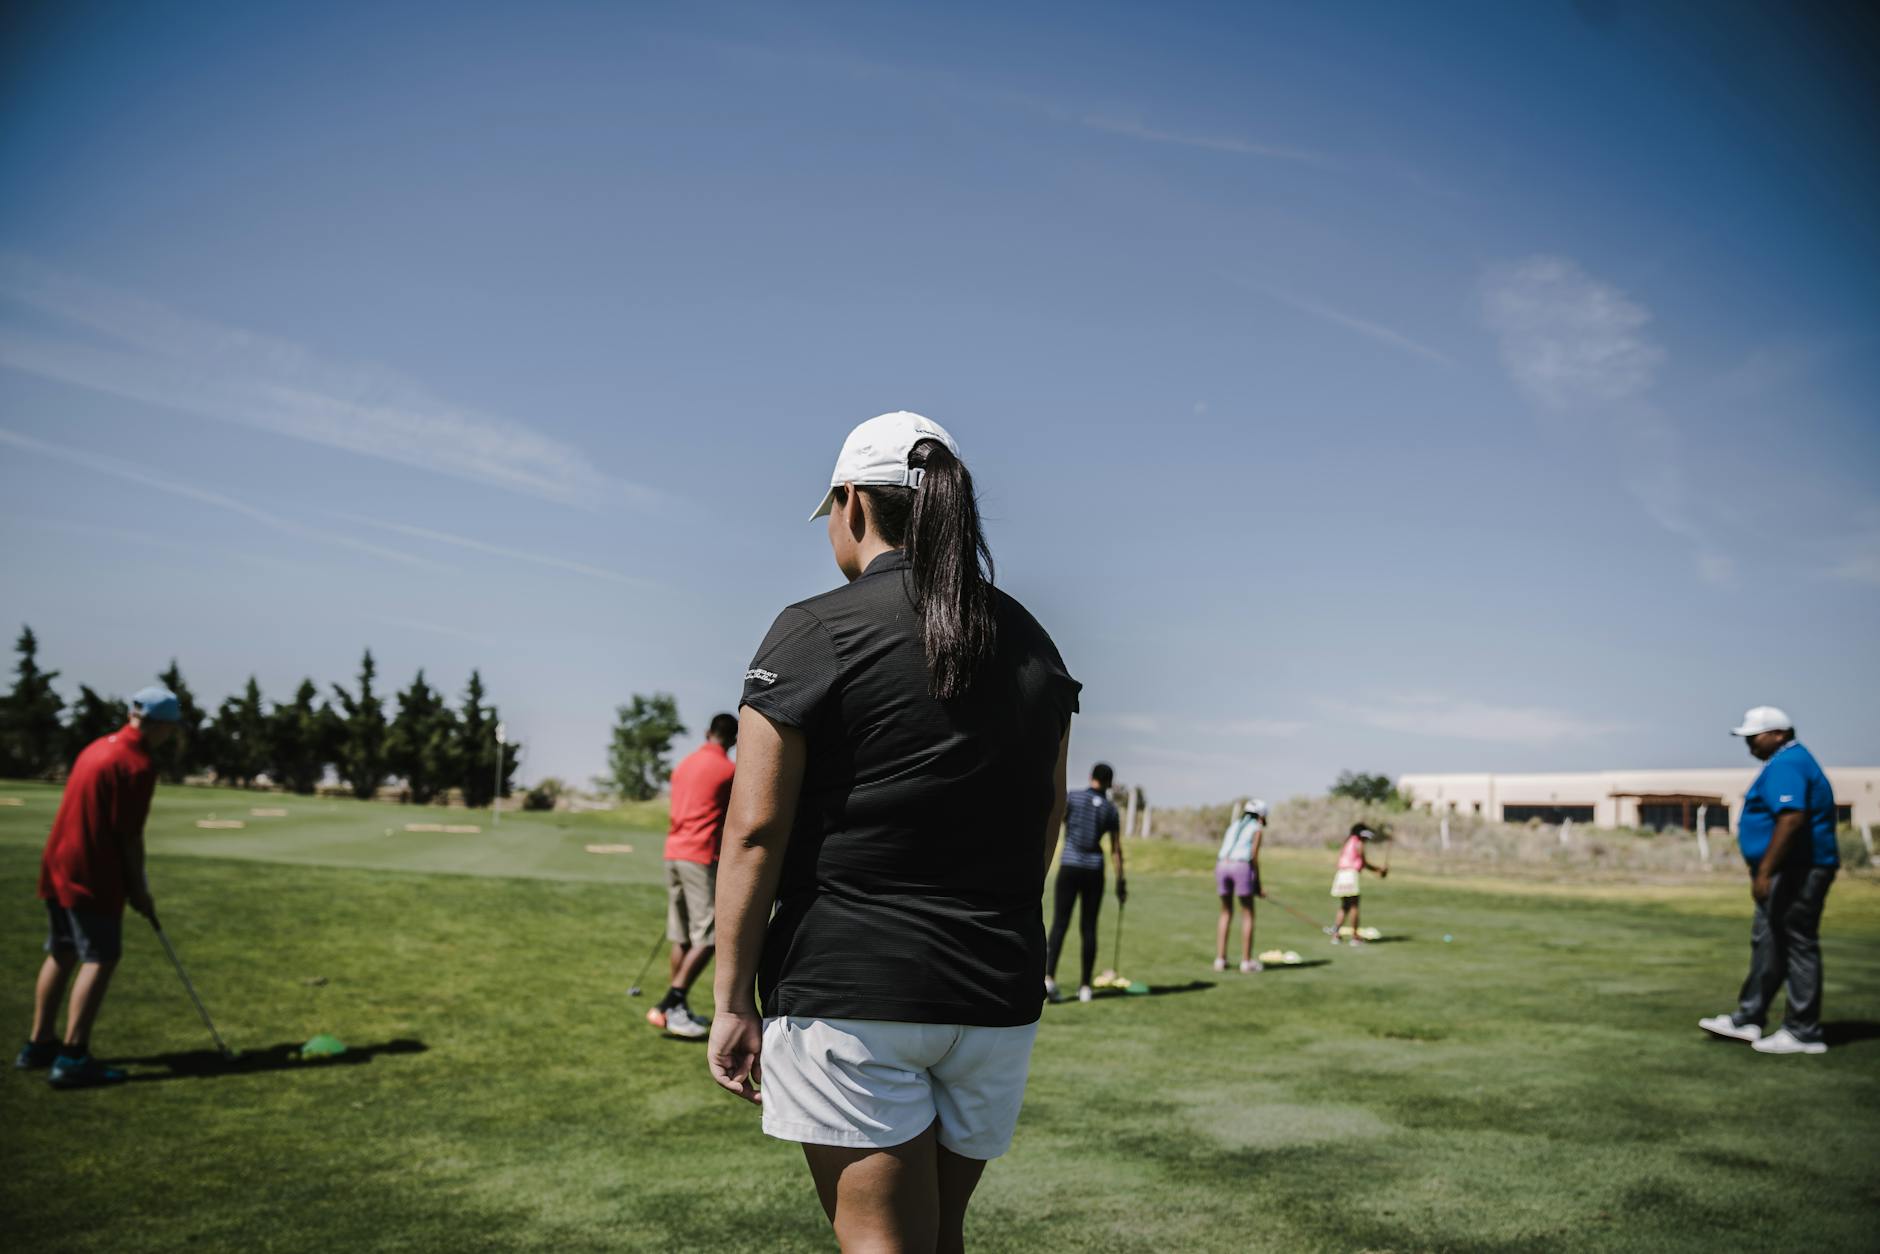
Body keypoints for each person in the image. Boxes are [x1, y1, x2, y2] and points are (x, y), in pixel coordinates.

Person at [707, 412, 1079, 1253]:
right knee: (939, 1241)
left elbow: (755, 830)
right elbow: (1046, 817)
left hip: (852, 989)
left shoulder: (815, 628)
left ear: (850, 503)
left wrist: (730, 1001)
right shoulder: (1035, 643)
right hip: (995, 993)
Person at [19, 687, 180, 1088]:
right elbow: (128, 837)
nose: (170, 735)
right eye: (171, 728)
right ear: (159, 725)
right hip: (92, 870)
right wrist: (138, 890)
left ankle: (38, 1044)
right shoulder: (136, 764)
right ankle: (73, 1056)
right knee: (101, 957)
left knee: (62, 950)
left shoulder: (96, 747)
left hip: (57, 862)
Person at [1699, 706, 1840, 1055]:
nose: (1749, 743)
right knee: (1769, 941)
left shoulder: (1788, 764)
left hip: (1798, 869)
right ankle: (1749, 1017)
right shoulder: (1785, 762)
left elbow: (1791, 818)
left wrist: (1765, 871)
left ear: (1778, 734)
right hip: (1789, 868)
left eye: (1754, 736)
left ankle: (1803, 1032)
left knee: (1796, 942)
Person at [646, 713, 738, 1040]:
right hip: (700, 856)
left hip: (673, 852)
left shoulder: (684, 764)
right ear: (734, 740)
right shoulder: (730, 771)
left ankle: (676, 1011)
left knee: (681, 935)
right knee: (710, 934)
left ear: (707, 732)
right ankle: (672, 1002)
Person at [1044, 763, 1123, 1003]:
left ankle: (1048, 979)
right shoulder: (1110, 808)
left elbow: (1056, 822)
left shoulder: (1073, 798)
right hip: (1094, 870)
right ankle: (1086, 986)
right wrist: (1121, 881)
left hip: (1069, 866)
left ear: (1091, 777)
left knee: (1059, 924)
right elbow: (1116, 850)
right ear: (1109, 783)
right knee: (1088, 928)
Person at [1215, 800, 1267, 973]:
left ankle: (1220, 960)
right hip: (1240, 866)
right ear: (1261, 815)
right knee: (1248, 913)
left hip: (1222, 865)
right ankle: (1246, 962)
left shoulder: (1234, 825)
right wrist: (1258, 885)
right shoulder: (1257, 828)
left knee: (1226, 911)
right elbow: (1253, 857)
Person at [1329, 823, 1385, 945]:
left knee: (1345, 905)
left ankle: (1336, 934)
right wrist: (1378, 870)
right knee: (1354, 905)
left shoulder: (1348, 842)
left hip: (1341, 875)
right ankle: (1355, 937)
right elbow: (1363, 863)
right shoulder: (1359, 843)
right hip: (1350, 875)